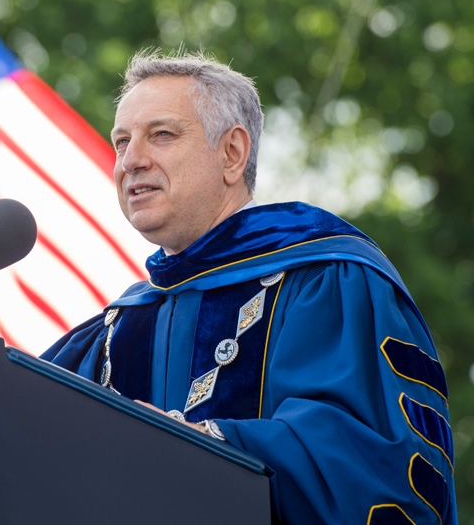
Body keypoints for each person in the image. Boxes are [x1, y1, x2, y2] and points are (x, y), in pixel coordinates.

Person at [40, 50, 456, 524]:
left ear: (232, 153)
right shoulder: (117, 329)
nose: (131, 161)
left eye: (161, 134)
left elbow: (366, 466)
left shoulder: (323, 279)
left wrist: (193, 444)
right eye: (120, 142)